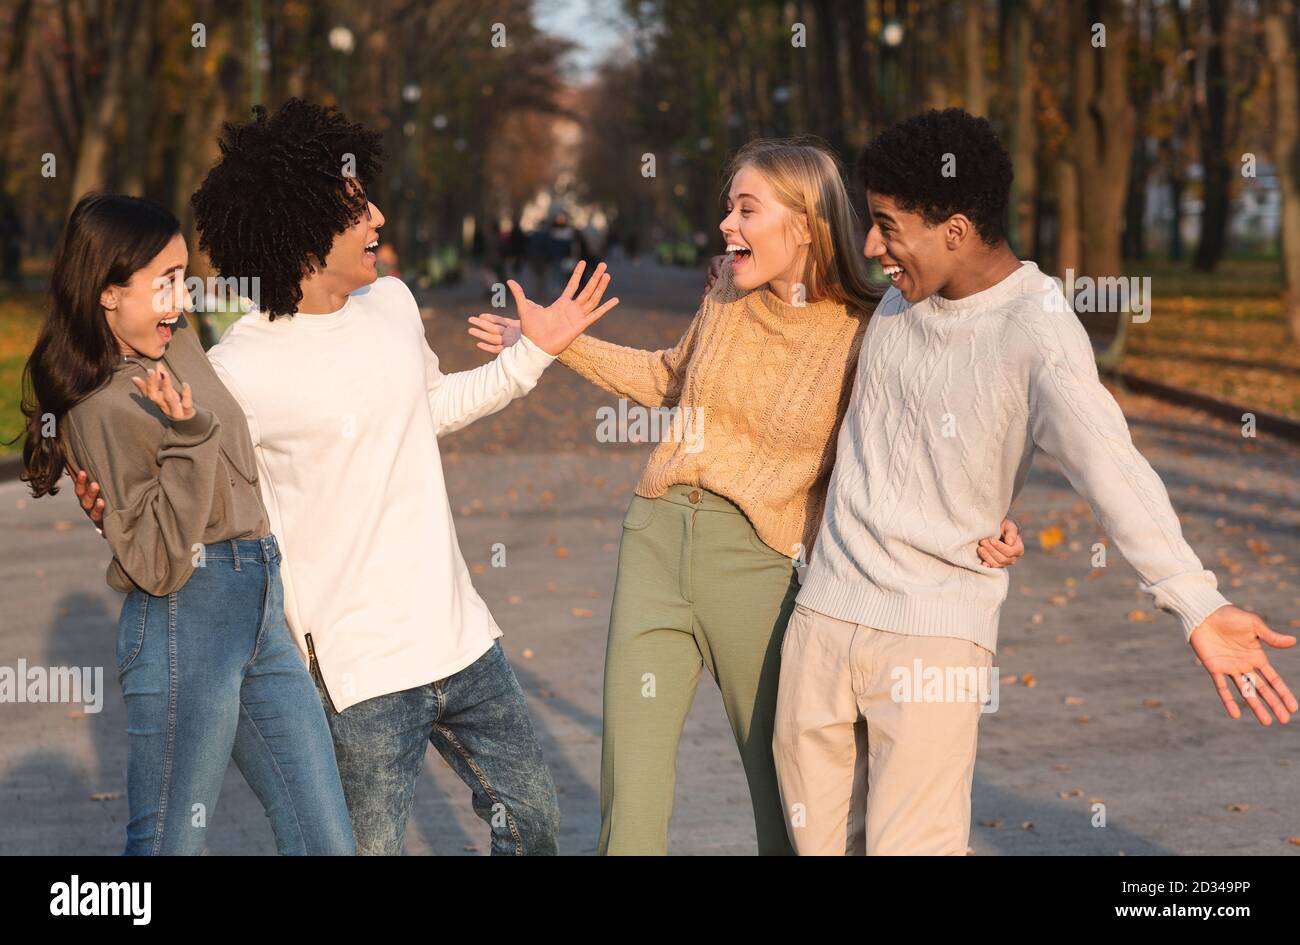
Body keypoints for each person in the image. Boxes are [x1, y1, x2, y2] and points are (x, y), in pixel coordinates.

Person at [74, 99, 620, 855]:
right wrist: (111, 504)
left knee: (534, 824)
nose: (381, 220)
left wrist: (532, 357)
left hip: (460, 637)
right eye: (360, 209)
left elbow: (429, 407)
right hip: (356, 675)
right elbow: (219, 507)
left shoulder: (393, 303)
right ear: (304, 229)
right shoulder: (239, 368)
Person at [468, 137, 1025, 855]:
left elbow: (923, 440)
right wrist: (554, 344)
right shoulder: (727, 293)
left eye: (746, 209)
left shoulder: (868, 330)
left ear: (803, 223)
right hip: (656, 545)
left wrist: (992, 518)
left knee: (790, 803)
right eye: (728, 208)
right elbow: (672, 376)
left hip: (760, 570)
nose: (727, 224)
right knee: (630, 796)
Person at [771, 108, 1298, 856]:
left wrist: (1195, 600)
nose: (871, 246)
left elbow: (1112, 467)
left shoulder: (1037, 330)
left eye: (887, 225)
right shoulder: (898, 301)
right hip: (822, 623)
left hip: (933, 641)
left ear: (954, 230)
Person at [23, 193, 355, 855]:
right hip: (186, 619)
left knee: (324, 839)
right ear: (107, 293)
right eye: (164, 282)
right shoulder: (101, 406)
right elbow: (158, 560)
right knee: (166, 843)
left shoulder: (178, 346)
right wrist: (189, 437)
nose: (181, 298)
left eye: (184, 276)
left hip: (259, 603)